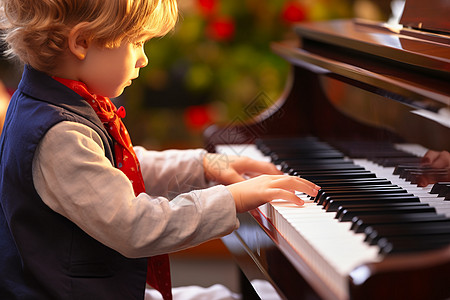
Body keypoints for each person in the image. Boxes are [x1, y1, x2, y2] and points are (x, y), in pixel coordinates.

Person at [0, 0, 320, 299]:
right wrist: (233, 199)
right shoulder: (58, 133)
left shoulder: (47, 101)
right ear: (82, 42)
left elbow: (113, 169)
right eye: (138, 41)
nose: (144, 58)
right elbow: (135, 227)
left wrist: (202, 164)